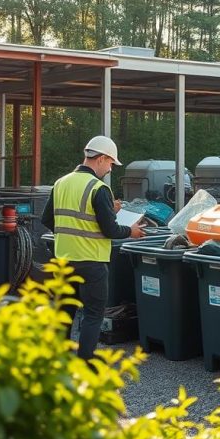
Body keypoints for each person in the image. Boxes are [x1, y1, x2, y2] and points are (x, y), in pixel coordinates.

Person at [41, 135, 145, 359]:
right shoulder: (99, 188)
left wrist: (108, 212)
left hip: (63, 260)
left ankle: (58, 361)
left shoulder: (61, 183)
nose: (110, 170)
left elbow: (48, 220)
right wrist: (132, 232)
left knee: (65, 311)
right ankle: (86, 362)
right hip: (91, 261)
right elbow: (111, 231)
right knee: (93, 314)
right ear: (101, 158)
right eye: (110, 164)